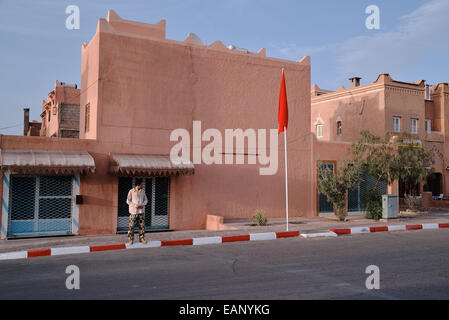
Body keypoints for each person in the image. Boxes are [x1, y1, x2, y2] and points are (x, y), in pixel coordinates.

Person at [126, 179, 148, 245]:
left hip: (141, 212)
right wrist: (135, 205)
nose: (142, 185)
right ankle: (131, 239)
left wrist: (142, 204)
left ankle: (142, 238)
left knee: (142, 226)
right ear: (138, 184)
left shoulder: (143, 191)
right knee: (131, 226)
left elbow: (146, 200)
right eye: (141, 184)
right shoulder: (131, 191)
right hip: (133, 212)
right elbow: (128, 201)